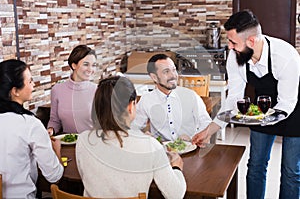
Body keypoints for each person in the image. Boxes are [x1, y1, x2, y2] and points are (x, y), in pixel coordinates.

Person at [196, 10, 300, 199]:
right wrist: (209, 130)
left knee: (291, 171)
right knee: (256, 166)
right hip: (263, 107)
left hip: (293, 109)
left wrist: (262, 119)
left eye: (233, 42)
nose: (229, 47)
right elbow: (233, 100)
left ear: (251, 41)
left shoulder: (286, 56)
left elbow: (287, 102)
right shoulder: (235, 57)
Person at [76, 76, 186, 198]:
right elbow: (176, 195)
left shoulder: (83, 140)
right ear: (130, 106)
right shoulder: (150, 145)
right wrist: (176, 167)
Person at [0, 59, 64, 198]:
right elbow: (54, 176)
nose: (33, 85)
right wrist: (56, 151)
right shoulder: (30, 124)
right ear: (15, 91)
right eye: (30, 81)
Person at [132, 53, 212, 145]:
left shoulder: (191, 96)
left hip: (190, 149)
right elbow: (134, 127)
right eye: (166, 71)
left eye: (174, 70)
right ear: (154, 77)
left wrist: (196, 136)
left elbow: (206, 122)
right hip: (162, 153)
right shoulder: (146, 100)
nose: (173, 75)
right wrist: (144, 136)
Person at [47, 45, 98, 135]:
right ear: (74, 65)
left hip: (92, 144)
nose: (91, 69)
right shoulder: (57, 90)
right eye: (86, 64)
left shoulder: (98, 90)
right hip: (67, 144)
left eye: (94, 65)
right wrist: (50, 130)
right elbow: (54, 121)